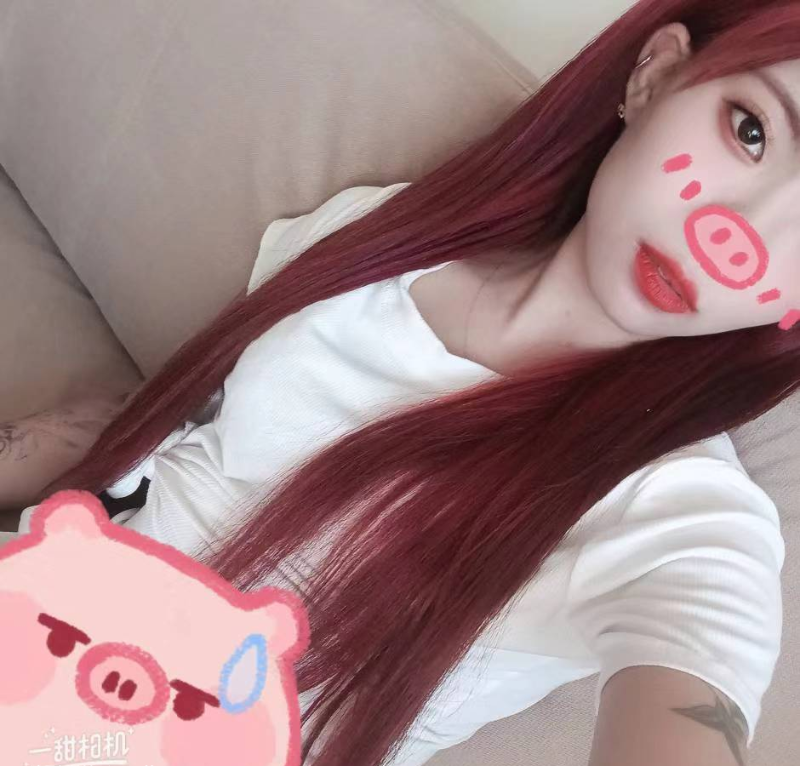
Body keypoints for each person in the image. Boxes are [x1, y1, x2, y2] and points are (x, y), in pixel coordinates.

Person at [7, 1, 800, 764]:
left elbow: (694, 676)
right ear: (656, 75)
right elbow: (188, 434)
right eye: (752, 131)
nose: (739, 238)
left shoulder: (688, 519)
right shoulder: (375, 236)